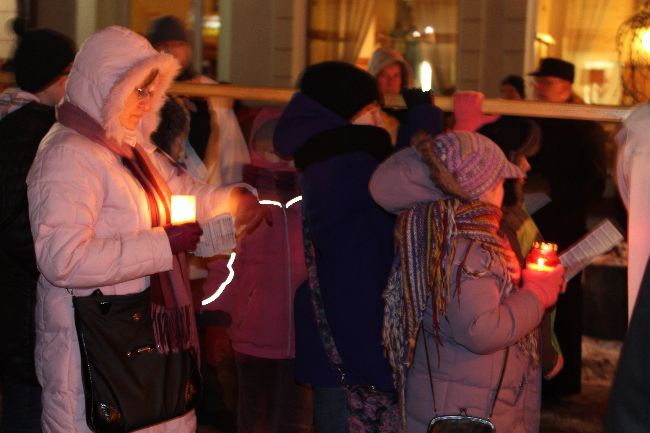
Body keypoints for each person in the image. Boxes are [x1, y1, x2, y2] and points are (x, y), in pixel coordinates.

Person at [26, 26, 268, 433]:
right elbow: (62, 260)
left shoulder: (129, 149)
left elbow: (185, 193)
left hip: (146, 340)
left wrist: (234, 203)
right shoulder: (68, 156)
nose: (146, 102)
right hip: (95, 351)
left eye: (150, 91)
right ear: (107, 86)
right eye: (138, 90)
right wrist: (163, 244)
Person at [369, 130, 565, 433]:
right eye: (500, 182)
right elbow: (480, 330)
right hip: (465, 414)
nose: (505, 190)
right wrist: (538, 292)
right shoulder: (467, 248)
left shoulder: (461, 239)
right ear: (484, 188)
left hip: (468, 401)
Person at [273, 61, 397, 433]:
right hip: (357, 328)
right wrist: (422, 123)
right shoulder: (350, 163)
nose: (379, 118)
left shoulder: (326, 154)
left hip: (339, 322)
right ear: (345, 111)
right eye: (370, 109)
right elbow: (411, 187)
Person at [204, 107, 313, 433]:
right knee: (255, 421)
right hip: (251, 337)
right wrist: (216, 319)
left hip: (301, 340)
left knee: (296, 423)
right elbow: (221, 263)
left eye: (286, 150)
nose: (280, 158)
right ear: (257, 147)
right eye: (271, 148)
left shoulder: (311, 202)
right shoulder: (239, 202)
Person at [0, 27, 75, 433]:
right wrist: (66, 257)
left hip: (14, 294)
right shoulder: (39, 134)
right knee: (30, 399)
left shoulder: (11, 121)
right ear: (57, 77)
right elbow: (24, 227)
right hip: (28, 298)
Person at [526, 57, 608, 397]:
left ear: (566, 87)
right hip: (536, 223)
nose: (539, 88)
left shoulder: (584, 125)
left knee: (565, 300)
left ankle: (562, 380)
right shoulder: (536, 119)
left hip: (564, 225)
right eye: (539, 82)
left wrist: (553, 190)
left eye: (546, 82)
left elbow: (594, 181)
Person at [146, 15, 250, 186]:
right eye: (165, 45)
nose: (172, 51)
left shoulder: (203, 86)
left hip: (204, 181)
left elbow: (230, 112)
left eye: (178, 44)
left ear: (188, 49)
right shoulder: (145, 88)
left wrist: (211, 94)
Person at [368, 47, 443, 149]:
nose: (390, 82)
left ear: (402, 79)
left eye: (396, 76)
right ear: (374, 77)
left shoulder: (411, 112)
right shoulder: (368, 114)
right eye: (384, 75)